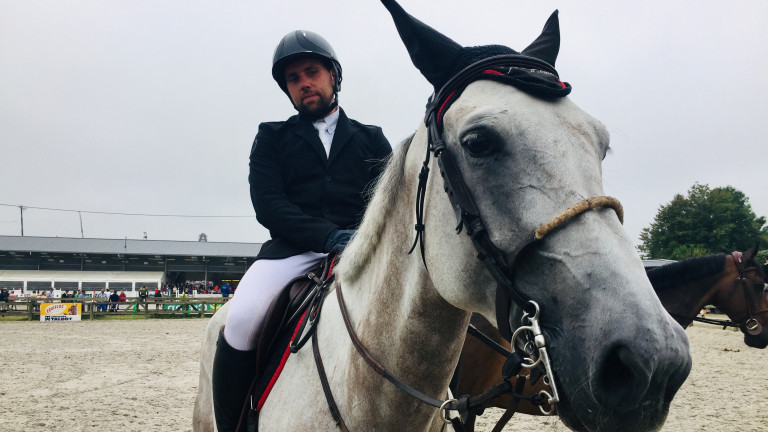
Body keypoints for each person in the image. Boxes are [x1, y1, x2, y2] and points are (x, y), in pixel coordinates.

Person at [211, 30, 391, 431]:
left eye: (312, 72)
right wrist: (327, 237)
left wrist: (362, 238)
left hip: (362, 249)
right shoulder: (272, 137)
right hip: (292, 252)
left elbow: (387, 202)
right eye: (294, 79)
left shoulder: (372, 138)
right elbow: (269, 205)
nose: (304, 83)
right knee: (240, 320)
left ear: (333, 76)